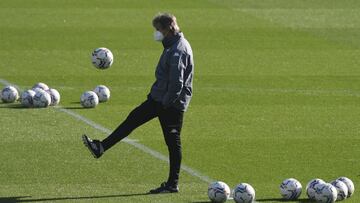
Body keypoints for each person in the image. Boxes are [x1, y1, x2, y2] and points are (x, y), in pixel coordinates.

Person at [82, 12, 194, 194]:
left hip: (170, 104)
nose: (156, 33)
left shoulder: (178, 50)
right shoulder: (171, 45)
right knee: (132, 119)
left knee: (173, 142)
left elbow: (177, 84)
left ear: (168, 29)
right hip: (159, 98)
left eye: (158, 30)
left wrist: (165, 103)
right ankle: (100, 147)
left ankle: (172, 184)